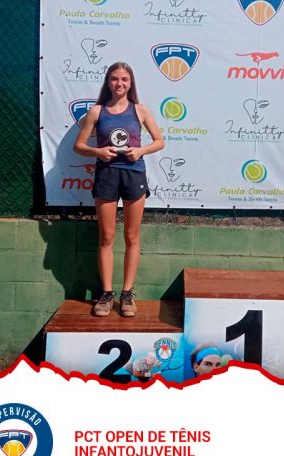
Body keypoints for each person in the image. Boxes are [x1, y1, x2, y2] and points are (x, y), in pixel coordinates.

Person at [74, 62, 165, 317]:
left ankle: (127, 293)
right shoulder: (96, 111)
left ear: (131, 82)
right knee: (106, 236)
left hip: (134, 175)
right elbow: (78, 146)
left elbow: (160, 141)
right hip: (107, 176)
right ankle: (106, 294)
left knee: (132, 236)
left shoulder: (140, 110)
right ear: (108, 82)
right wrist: (98, 152)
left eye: (124, 79)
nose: (119, 83)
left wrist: (141, 151)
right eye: (114, 79)